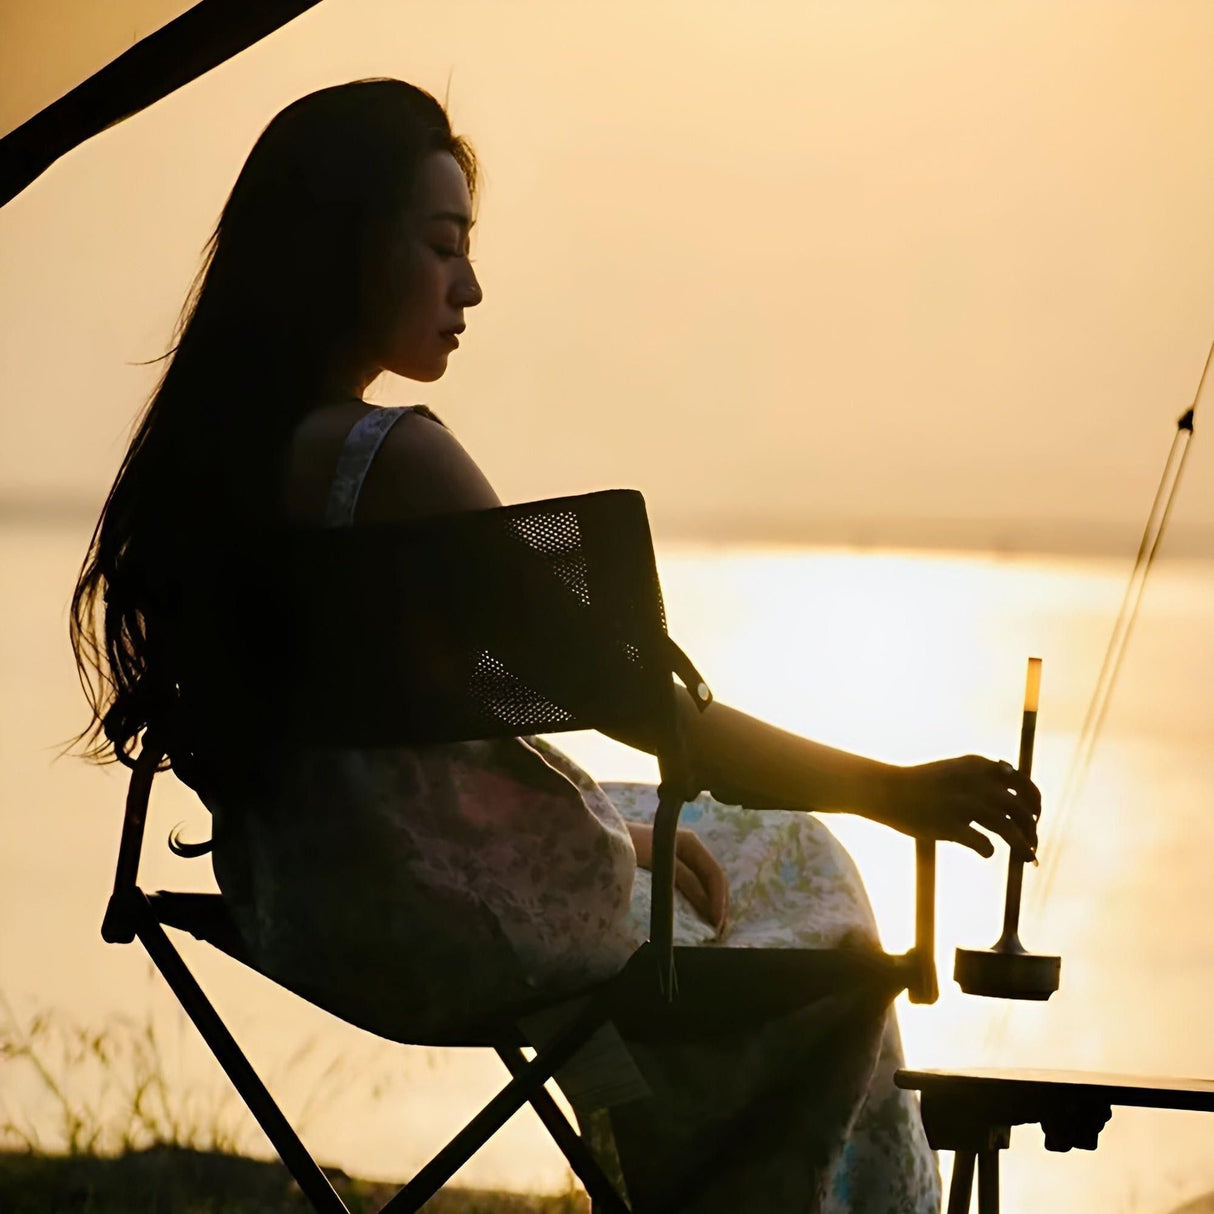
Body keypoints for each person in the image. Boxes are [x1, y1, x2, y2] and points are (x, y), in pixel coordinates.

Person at [69, 79, 1040, 1212]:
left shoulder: (215, 471)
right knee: (814, 877)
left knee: (674, 841)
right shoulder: (395, 464)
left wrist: (621, 840)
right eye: (442, 247)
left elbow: (418, 757)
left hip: (306, 902)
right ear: (343, 247)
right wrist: (895, 789)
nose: (468, 286)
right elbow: (660, 721)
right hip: (461, 927)